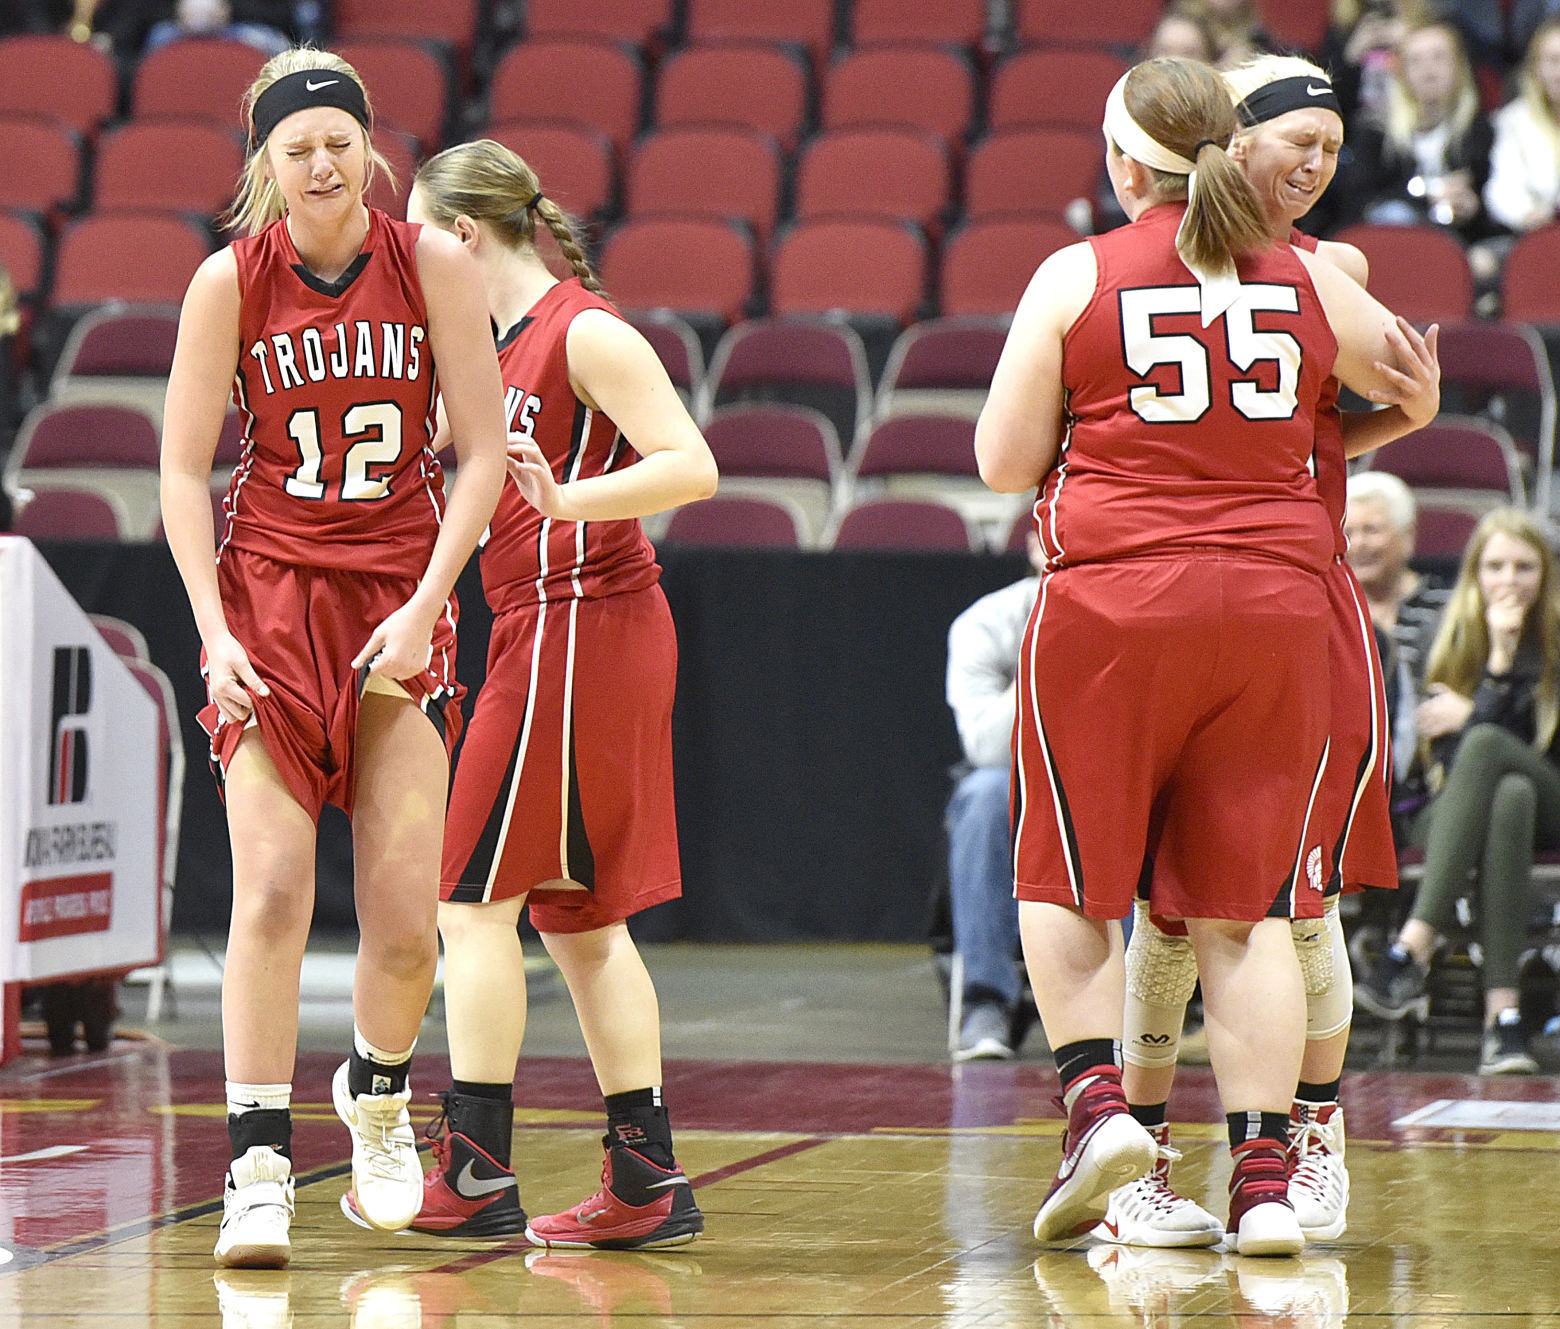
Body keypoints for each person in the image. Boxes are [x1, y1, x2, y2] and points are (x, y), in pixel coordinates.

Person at [975, 55, 1435, 1258]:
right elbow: (1404, 386)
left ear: (1126, 159)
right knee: (1253, 913)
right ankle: (1269, 1182)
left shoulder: (1076, 272)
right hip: (1281, 609)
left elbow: (1001, 460)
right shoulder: (1307, 273)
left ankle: (1096, 1112)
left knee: (1068, 875)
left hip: (1119, 604)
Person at [159, 48, 508, 1269]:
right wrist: (211, 632)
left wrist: (428, 603)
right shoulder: (229, 282)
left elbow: (479, 454)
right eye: (297, 145)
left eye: (339, 141)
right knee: (268, 891)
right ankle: (258, 1159)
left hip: (396, 599)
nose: (321, 161)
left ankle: (377, 1097)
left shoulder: (435, 265)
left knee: (408, 918)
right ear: (266, 161)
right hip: (265, 600)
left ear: (371, 147)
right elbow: (179, 472)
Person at [389, 138, 718, 1251]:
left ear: (466, 236)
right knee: (578, 918)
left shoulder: (583, 331)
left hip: (585, 622)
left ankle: (477, 1167)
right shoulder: (492, 346)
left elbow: (692, 463)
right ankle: (648, 1178)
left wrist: (569, 498)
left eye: (426, 234)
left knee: (471, 900)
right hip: (548, 627)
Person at [1356, 508, 1560, 1076]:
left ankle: (1410, 948)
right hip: (1454, 807)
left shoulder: (1557, 640)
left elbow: (1520, 746)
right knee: (1508, 793)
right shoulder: (1447, 636)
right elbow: (1445, 758)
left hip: (1555, 801)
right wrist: (1495, 657)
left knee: (1500, 757)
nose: (1509, 580)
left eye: (1524, 566)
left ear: (1545, 574)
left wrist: (1477, 703)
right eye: (1495, 566)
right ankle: (1504, 1020)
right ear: (1475, 572)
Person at [943, 535, 1044, 1061]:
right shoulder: (984, 623)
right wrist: (1042, 653)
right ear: (1035, 544)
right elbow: (983, 746)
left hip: (1104, 780)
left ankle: (1128, 1005)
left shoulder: (1134, 616)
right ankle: (987, 1002)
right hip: (1012, 776)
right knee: (983, 796)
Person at [1342, 22, 1501, 256]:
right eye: (1415, 60)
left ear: (1459, 67)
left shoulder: (1482, 132)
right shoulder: (1374, 131)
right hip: (1392, 246)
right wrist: (1425, 198)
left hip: (1462, 248)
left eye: (1439, 57)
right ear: (1400, 71)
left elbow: (1500, 211)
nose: (1429, 69)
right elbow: (1355, 205)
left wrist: (1473, 209)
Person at [1344, 470, 1452, 816]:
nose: (1358, 543)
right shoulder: (1332, 610)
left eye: (1372, 530)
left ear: (1407, 538)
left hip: (1430, 774)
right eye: (1348, 532)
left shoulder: (1445, 607)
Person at [1484, 19, 1560, 241]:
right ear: (1535, 68)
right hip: (1536, 235)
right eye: (1553, 61)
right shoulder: (1513, 120)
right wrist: (1527, 215)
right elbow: (1503, 189)